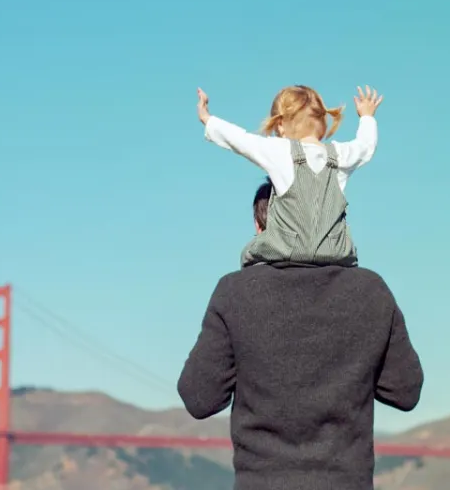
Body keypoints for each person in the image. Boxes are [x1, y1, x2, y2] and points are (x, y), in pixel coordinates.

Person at [177, 181, 424, 490]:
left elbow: (199, 398)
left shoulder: (235, 292)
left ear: (259, 226)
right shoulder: (371, 290)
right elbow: (405, 391)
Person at [196, 84, 383, 268]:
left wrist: (208, 119)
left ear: (280, 126)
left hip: (286, 250)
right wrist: (367, 117)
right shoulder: (340, 156)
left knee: (250, 252)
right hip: (333, 251)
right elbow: (365, 145)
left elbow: (241, 140)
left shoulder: (281, 151)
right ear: (323, 124)